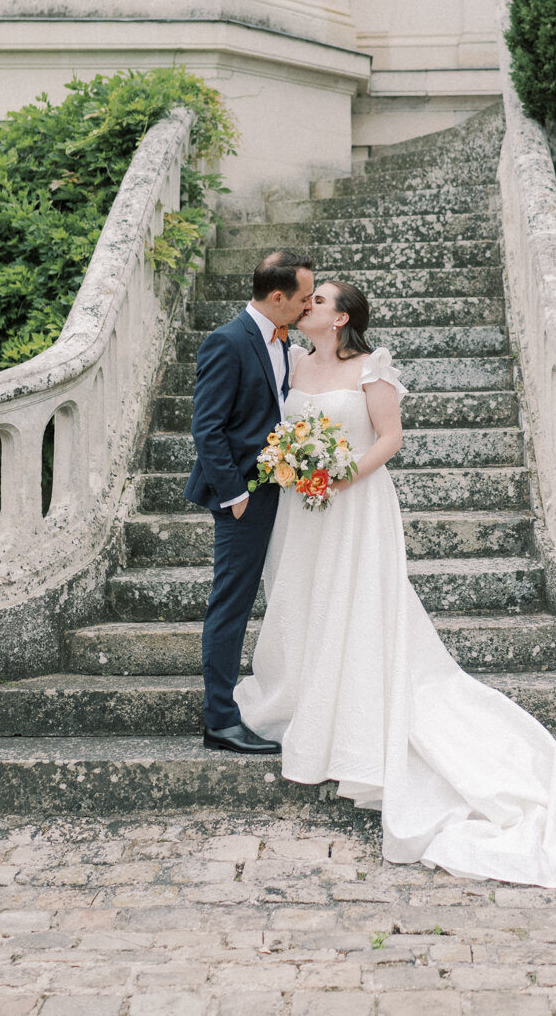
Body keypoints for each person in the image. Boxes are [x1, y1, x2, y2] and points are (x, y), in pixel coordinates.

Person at [234, 280, 556, 885]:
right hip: (302, 507)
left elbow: (389, 439)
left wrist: (339, 475)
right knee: (305, 602)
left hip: (353, 502)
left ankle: (363, 725)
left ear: (340, 319)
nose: (306, 304)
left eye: (319, 301)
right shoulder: (288, 361)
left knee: (359, 606)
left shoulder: (372, 369)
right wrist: (296, 466)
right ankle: (310, 698)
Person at [185, 249, 314, 754]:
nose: (308, 307)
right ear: (277, 296)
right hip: (245, 496)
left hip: (283, 489)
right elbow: (207, 428)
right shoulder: (228, 341)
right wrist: (234, 495)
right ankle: (220, 719)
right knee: (232, 604)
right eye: (303, 298)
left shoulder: (286, 342)